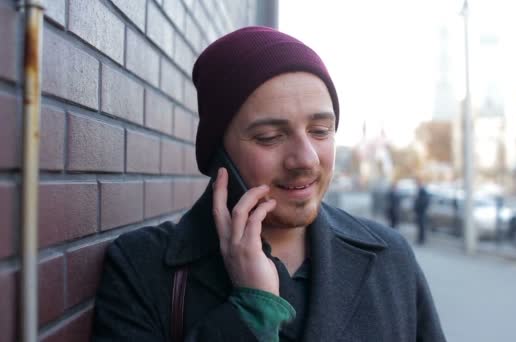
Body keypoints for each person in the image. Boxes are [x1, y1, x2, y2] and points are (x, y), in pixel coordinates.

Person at [93, 26, 445, 342]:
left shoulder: (390, 257)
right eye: (270, 136)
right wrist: (250, 314)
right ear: (220, 155)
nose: (306, 158)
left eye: (321, 131)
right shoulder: (144, 269)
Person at [414, 178, 430, 245]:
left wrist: (418, 204)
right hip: (420, 212)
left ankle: (421, 240)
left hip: (421, 212)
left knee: (422, 226)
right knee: (420, 226)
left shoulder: (423, 191)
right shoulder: (420, 191)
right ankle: (420, 239)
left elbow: (424, 201)